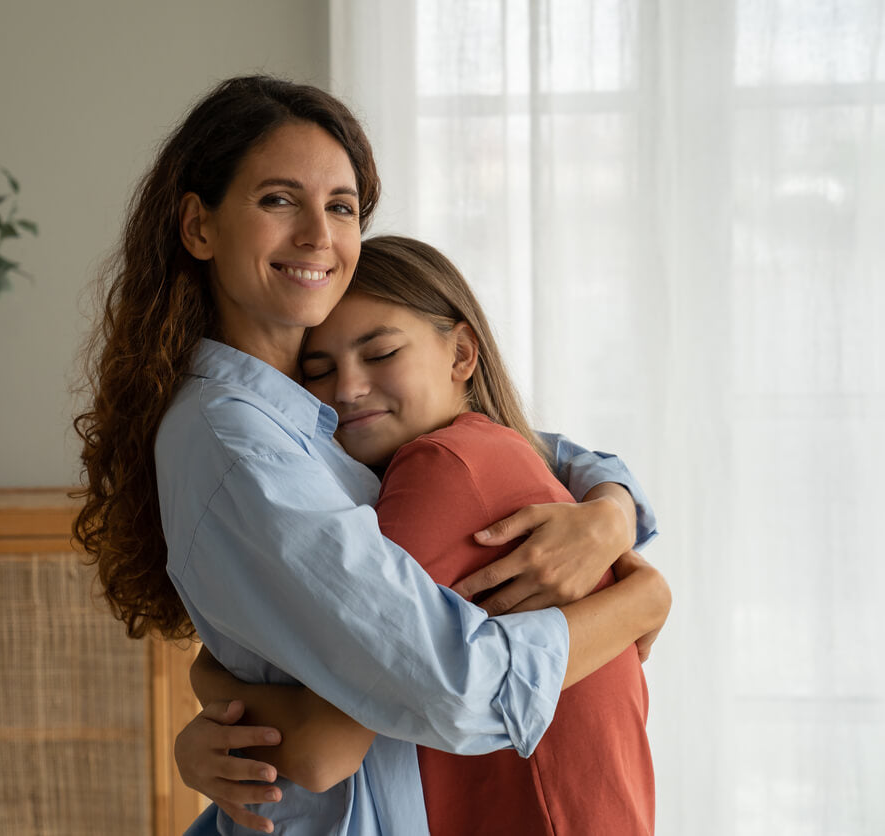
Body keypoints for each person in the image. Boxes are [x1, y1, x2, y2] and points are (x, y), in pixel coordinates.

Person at [73, 75, 669, 835]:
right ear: (199, 227)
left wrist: (612, 508)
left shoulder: (309, 405)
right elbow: (458, 689)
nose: (318, 236)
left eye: (341, 206)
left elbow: (499, 438)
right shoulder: (239, 444)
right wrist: (641, 602)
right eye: (277, 200)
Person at [187, 235, 656, 835]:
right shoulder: (491, 448)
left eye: (380, 353)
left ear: (461, 353)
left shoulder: (440, 469)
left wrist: (206, 682)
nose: (348, 388)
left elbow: (321, 748)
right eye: (319, 370)